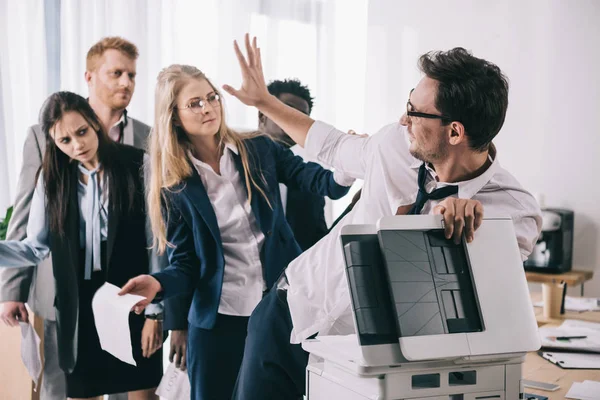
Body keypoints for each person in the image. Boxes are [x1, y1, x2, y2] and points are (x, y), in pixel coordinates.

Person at [219, 35, 543, 399]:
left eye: (415, 111)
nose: (403, 118)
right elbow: (332, 145)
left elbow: (488, 303)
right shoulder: (395, 144)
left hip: (363, 357)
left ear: (455, 131)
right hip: (292, 308)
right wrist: (265, 102)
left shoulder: (511, 210)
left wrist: (472, 236)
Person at [118, 64, 353, 400]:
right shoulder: (174, 185)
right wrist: (158, 284)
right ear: (173, 116)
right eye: (195, 103)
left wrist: (347, 163)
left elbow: (321, 182)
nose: (208, 108)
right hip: (218, 320)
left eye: (211, 98)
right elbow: (185, 264)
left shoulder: (258, 148)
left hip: (277, 308)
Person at [0, 36, 158, 400]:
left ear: (93, 124)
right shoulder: (52, 174)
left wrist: (159, 310)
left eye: (131, 74)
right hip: (74, 297)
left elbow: (157, 237)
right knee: (72, 390)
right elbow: (33, 241)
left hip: (130, 293)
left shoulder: (141, 153)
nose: (76, 145)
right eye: (65, 141)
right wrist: (12, 287)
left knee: (139, 391)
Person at [259, 78, 331, 251]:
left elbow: (320, 246)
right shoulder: (232, 166)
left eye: (301, 117)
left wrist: (352, 208)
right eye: (288, 111)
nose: (293, 121)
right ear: (263, 115)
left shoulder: (310, 185)